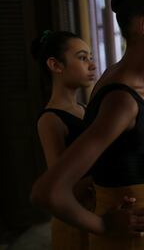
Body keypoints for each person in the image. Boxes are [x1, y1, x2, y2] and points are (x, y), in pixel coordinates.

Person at [31, 0, 144, 250]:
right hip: (128, 233)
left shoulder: (122, 79)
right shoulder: (122, 98)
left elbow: (122, 150)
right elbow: (47, 191)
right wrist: (104, 225)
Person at [32, 30, 96, 249]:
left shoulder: (85, 109)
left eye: (91, 57)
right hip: (74, 222)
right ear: (56, 65)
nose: (92, 65)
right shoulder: (51, 119)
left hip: (93, 212)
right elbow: (61, 187)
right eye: (82, 58)